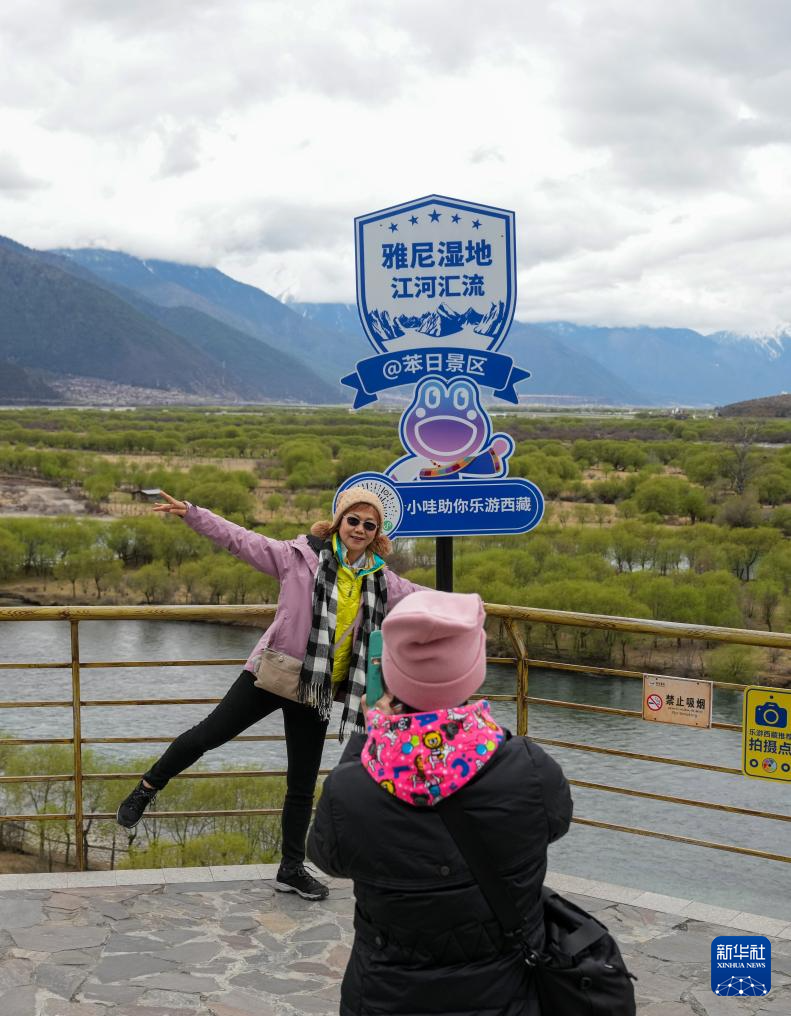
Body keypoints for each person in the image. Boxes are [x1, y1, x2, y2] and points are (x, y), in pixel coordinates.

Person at [116, 485, 423, 901]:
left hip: (315, 689)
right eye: (353, 520)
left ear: (376, 534)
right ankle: (147, 788)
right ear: (338, 522)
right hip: (274, 671)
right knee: (209, 735)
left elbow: (424, 599)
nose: (359, 529)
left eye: (369, 525)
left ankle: (291, 868)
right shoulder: (298, 557)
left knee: (302, 784)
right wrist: (191, 512)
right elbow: (240, 540)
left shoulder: (380, 579)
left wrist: (473, 608)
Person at [307, 589, 572, 1014]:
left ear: (388, 672)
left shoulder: (351, 789)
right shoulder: (532, 770)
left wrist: (370, 739)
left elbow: (327, 856)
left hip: (385, 998)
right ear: (474, 669)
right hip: (507, 995)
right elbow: (556, 824)